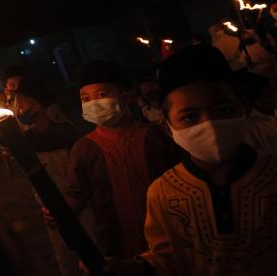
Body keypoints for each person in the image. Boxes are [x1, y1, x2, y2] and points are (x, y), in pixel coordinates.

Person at [132, 44, 277, 276]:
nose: (210, 124)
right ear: (169, 128)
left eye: (224, 110)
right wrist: (136, 268)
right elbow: (166, 259)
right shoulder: (161, 193)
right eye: (190, 117)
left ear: (244, 110)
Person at [44, 60, 182, 269]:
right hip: (115, 244)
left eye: (101, 95)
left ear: (126, 97)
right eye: (85, 98)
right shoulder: (84, 147)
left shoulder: (154, 135)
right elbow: (77, 193)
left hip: (169, 237)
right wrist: (61, 211)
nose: (93, 103)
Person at [15, 82, 89, 276]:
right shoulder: (27, 138)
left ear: (37, 106)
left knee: (91, 252)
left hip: (82, 208)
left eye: (21, 105)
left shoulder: (66, 133)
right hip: (50, 210)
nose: (17, 111)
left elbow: (82, 173)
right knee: (66, 260)